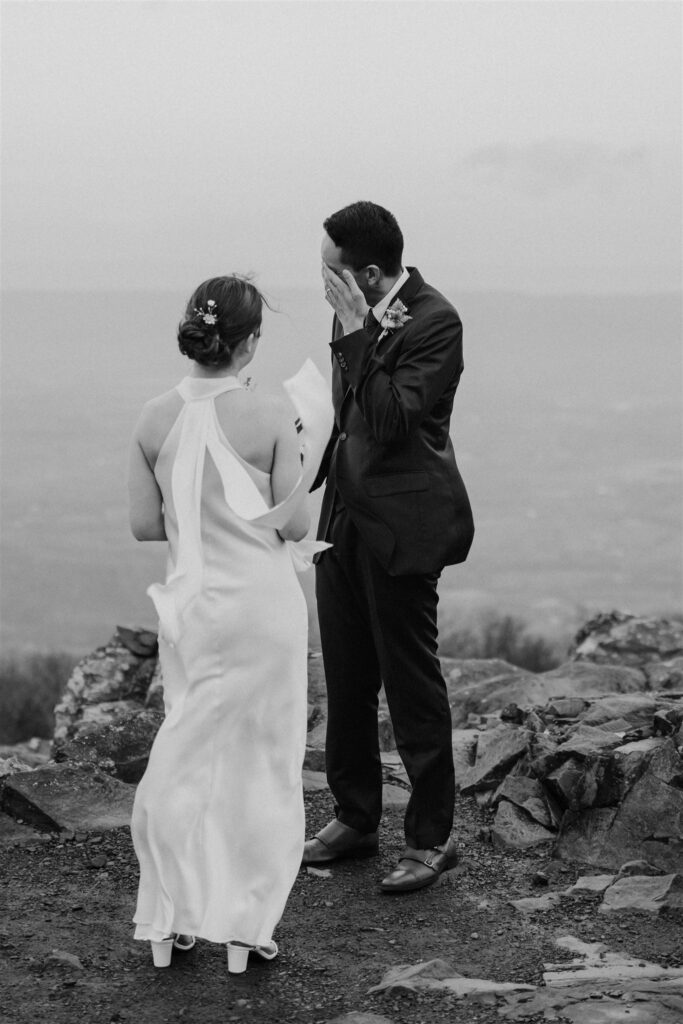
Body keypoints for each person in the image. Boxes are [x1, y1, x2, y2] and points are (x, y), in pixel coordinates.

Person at [128, 275, 331, 971]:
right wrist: (302, 450)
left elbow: (143, 525)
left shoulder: (152, 416)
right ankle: (245, 930)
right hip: (262, 610)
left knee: (184, 753)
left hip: (190, 611)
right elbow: (296, 523)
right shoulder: (272, 413)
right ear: (248, 342)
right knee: (263, 764)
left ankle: (166, 918)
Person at [304, 201, 475, 893]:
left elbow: (393, 419)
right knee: (345, 677)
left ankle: (431, 839)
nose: (322, 283)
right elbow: (350, 421)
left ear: (368, 275)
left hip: (404, 526)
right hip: (340, 517)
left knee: (410, 682)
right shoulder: (356, 318)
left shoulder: (436, 320)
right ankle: (355, 817)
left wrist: (353, 334)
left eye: (330, 272)